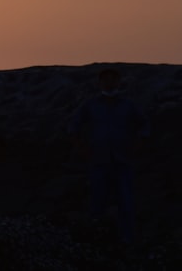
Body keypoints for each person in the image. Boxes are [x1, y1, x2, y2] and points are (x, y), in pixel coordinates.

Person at [69, 68, 150, 245]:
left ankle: (127, 241)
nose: (110, 83)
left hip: (122, 160)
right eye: (106, 80)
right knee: (97, 202)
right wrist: (80, 148)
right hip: (98, 160)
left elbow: (144, 125)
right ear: (100, 83)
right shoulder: (90, 105)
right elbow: (74, 126)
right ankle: (95, 241)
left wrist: (139, 143)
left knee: (126, 202)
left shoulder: (128, 105)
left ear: (119, 82)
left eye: (113, 80)